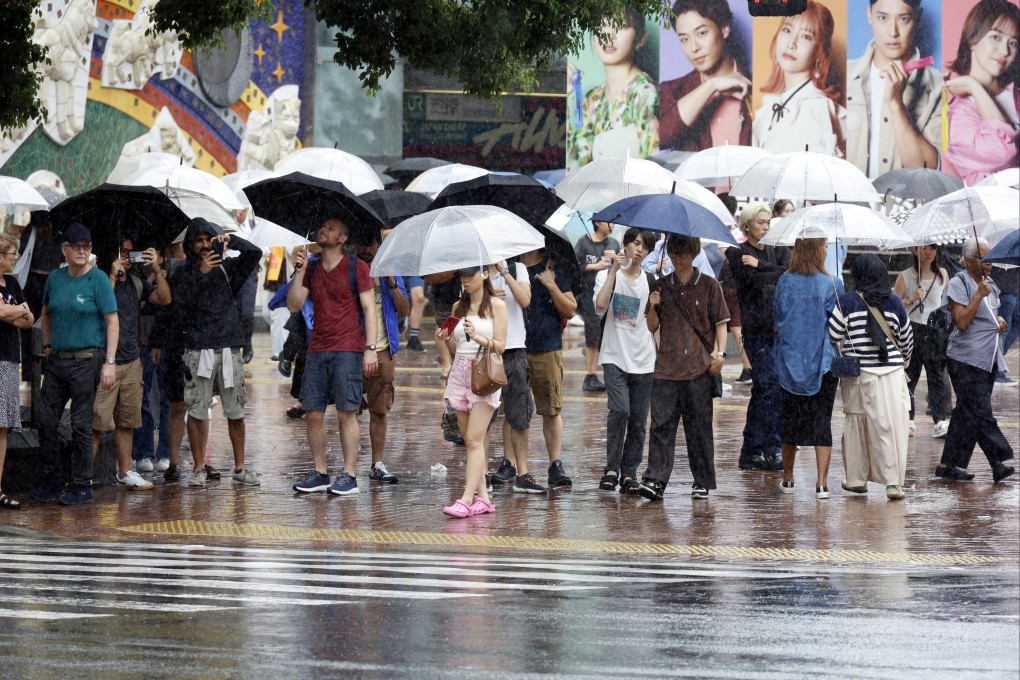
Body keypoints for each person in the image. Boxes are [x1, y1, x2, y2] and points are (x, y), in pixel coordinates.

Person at [170, 218, 263, 488]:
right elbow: (180, 308)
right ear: (190, 244)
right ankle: (199, 468)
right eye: (198, 240)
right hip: (198, 348)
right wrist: (201, 273)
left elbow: (254, 254)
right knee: (197, 411)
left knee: (235, 410)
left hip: (229, 346)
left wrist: (231, 241)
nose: (203, 245)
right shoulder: (183, 272)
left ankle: (240, 467)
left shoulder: (228, 269)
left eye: (207, 239)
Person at [30, 224, 118, 506]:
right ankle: (52, 480)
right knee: (45, 420)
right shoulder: (55, 278)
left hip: (87, 361)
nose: (82, 250)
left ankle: (82, 485)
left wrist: (110, 363)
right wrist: (46, 345)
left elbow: (112, 321)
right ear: (65, 249)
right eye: (76, 246)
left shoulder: (99, 279)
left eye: (87, 246)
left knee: (81, 424)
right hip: (57, 361)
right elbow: (45, 311)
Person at [288, 218, 378, 496]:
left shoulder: (356, 267)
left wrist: (370, 348)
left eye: (331, 227)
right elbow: (294, 304)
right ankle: (320, 472)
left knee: (346, 412)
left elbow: (369, 309)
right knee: (312, 412)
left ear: (342, 238)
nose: (323, 229)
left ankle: (349, 475)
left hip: (348, 348)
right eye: (322, 226)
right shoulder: (311, 268)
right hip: (316, 348)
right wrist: (299, 272)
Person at [638, 234, 728, 502]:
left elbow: (721, 322)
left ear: (694, 254)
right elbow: (652, 326)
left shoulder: (710, 285)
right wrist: (653, 305)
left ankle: (701, 480)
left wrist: (719, 354)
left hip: (699, 367)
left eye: (684, 254)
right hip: (665, 366)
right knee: (661, 426)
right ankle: (655, 479)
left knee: (699, 428)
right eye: (675, 254)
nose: (679, 260)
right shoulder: (661, 285)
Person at [828, 254, 914, 501]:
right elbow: (907, 340)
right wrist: (903, 362)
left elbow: (833, 333)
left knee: (856, 425)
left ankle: (856, 479)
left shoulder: (847, 301)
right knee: (889, 427)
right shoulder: (896, 303)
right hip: (892, 374)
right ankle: (893, 484)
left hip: (859, 375)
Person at [92, 237, 171, 491]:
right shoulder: (98, 280)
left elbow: (164, 298)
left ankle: (125, 471)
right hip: (105, 360)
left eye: (129, 252)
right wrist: (113, 276)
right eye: (121, 251)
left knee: (127, 420)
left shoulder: (137, 283)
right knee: (97, 421)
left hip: (132, 359)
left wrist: (156, 268)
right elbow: (99, 310)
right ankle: (82, 476)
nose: (126, 256)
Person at [935, 237, 1015, 483]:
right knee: (980, 411)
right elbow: (962, 321)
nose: (989, 263)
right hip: (964, 358)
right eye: (983, 258)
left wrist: (999, 321)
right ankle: (997, 460)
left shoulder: (990, 284)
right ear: (968, 260)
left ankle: (948, 464)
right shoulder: (959, 284)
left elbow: (992, 315)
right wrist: (978, 294)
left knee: (966, 412)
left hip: (988, 358)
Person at [772, 231, 841, 500]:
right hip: (822, 363)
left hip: (789, 362)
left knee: (789, 421)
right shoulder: (832, 284)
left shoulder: (784, 282)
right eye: (824, 245)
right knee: (822, 421)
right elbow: (837, 327)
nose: (826, 250)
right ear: (816, 249)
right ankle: (821, 483)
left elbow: (777, 318)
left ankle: (788, 477)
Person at [438, 266, 508, 518]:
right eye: (463, 276)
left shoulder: (497, 306)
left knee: (474, 439)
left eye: (471, 275)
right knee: (469, 439)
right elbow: (456, 347)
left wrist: (477, 337)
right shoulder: (459, 306)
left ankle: (466, 499)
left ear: (486, 275)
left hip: (484, 373)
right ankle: (484, 499)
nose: (466, 280)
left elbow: (500, 346)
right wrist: (446, 337)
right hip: (459, 373)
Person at [846, 0, 942, 177]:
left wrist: (896, 104)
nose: (893, 32)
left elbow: (928, 171)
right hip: (849, 202)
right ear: (869, 15)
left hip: (905, 203)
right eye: (883, 18)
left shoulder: (938, 86)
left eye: (903, 19)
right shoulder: (844, 76)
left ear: (917, 17)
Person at [727, 202, 790, 471]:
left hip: (780, 331)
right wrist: (768, 273)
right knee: (769, 387)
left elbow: (789, 274)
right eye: (761, 221)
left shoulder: (778, 251)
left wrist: (761, 265)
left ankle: (751, 449)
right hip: (756, 332)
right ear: (747, 225)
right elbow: (754, 282)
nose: (766, 225)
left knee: (764, 391)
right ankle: (772, 448)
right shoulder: (737, 253)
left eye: (768, 222)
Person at [593, 228, 656, 494]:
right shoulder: (607, 275)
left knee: (640, 420)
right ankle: (611, 468)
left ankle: (630, 472)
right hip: (614, 355)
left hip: (644, 358)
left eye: (645, 247)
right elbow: (600, 305)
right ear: (626, 245)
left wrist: (655, 305)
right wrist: (611, 273)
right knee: (620, 410)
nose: (639, 250)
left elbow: (653, 325)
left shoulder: (652, 280)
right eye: (636, 244)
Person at [567, 7, 659, 169]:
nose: (608, 36)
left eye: (621, 26)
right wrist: (566, 98)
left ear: (641, 39)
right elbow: (576, 169)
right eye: (601, 25)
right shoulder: (592, 99)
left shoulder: (644, 93)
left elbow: (653, 170)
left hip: (633, 194)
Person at [752, 0, 847, 157]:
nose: (791, 43)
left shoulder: (815, 109)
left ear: (819, 52)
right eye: (787, 30)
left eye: (805, 36)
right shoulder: (770, 108)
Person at [486, 258, 547, 494]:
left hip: (514, 350)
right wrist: (488, 298)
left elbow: (525, 299)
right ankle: (482, 475)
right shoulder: (476, 270)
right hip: (486, 350)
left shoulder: (516, 268)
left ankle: (522, 473)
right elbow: (466, 310)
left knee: (519, 415)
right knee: (484, 418)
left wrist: (505, 273)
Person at [658, 0, 752, 151]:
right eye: (684, 39)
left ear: (724, 29)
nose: (694, 47)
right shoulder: (673, 90)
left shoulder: (756, 84)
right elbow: (659, 138)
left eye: (701, 33)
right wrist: (711, 87)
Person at [943, 0, 1019, 185]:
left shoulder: (1016, 95)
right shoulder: (954, 114)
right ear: (973, 40)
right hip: (993, 211)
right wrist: (973, 86)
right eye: (996, 37)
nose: (1004, 51)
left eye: (1013, 42)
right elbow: (1002, 150)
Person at [519, 248, 578, 487]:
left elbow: (570, 309)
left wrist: (551, 285)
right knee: (514, 412)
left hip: (547, 345)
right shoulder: (509, 266)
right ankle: (510, 464)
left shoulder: (554, 266)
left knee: (551, 409)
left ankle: (555, 464)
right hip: (514, 347)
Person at [355, 234, 409, 484]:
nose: (366, 249)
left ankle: (377, 464)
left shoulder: (390, 271)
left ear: (379, 245)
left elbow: (405, 309)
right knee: (348, 410)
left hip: (384, 349)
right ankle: (349, 466)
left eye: (371, 244)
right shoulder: (349, 268)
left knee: (379, 409)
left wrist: (392, 283)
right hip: (352, 349)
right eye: (362, 244)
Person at [893, 245, 951, 437]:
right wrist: (910, 298)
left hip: (935, 331)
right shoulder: (905, 276)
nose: (928, 253)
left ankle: (940, 418)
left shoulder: (943, 274)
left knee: (937, 377)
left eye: (932, 249)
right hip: (913, 329)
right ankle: (908, 418)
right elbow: (892, 306)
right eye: (924, 248)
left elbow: (947, 303)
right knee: (910, 375)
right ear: (914, 250)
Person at [0, 235, 33, 509]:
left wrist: (12, 311)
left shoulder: (12, 283)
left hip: (10, 359)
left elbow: (28, 318)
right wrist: (16, 310)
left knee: (2, 427)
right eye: (11, 253)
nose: (15, 257)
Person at [574, 219, 620, 392]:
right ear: (597, 223)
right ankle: (590, 375)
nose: (611, 225)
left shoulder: (614, 244)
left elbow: (622, 266)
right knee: (592, 334)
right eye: (608, 222)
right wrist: (596, 265)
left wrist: (616, 259)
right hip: (588, 295)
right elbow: (576, 265)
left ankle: (609, 374)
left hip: (609, 296)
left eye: (613, 222)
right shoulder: (584, 242)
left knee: (606, 335)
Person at [403, 275, 427, 352]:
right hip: (395, 266)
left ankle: (414, 337)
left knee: (419, 297)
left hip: (415, 266)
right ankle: (401, 318)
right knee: (395, 295)